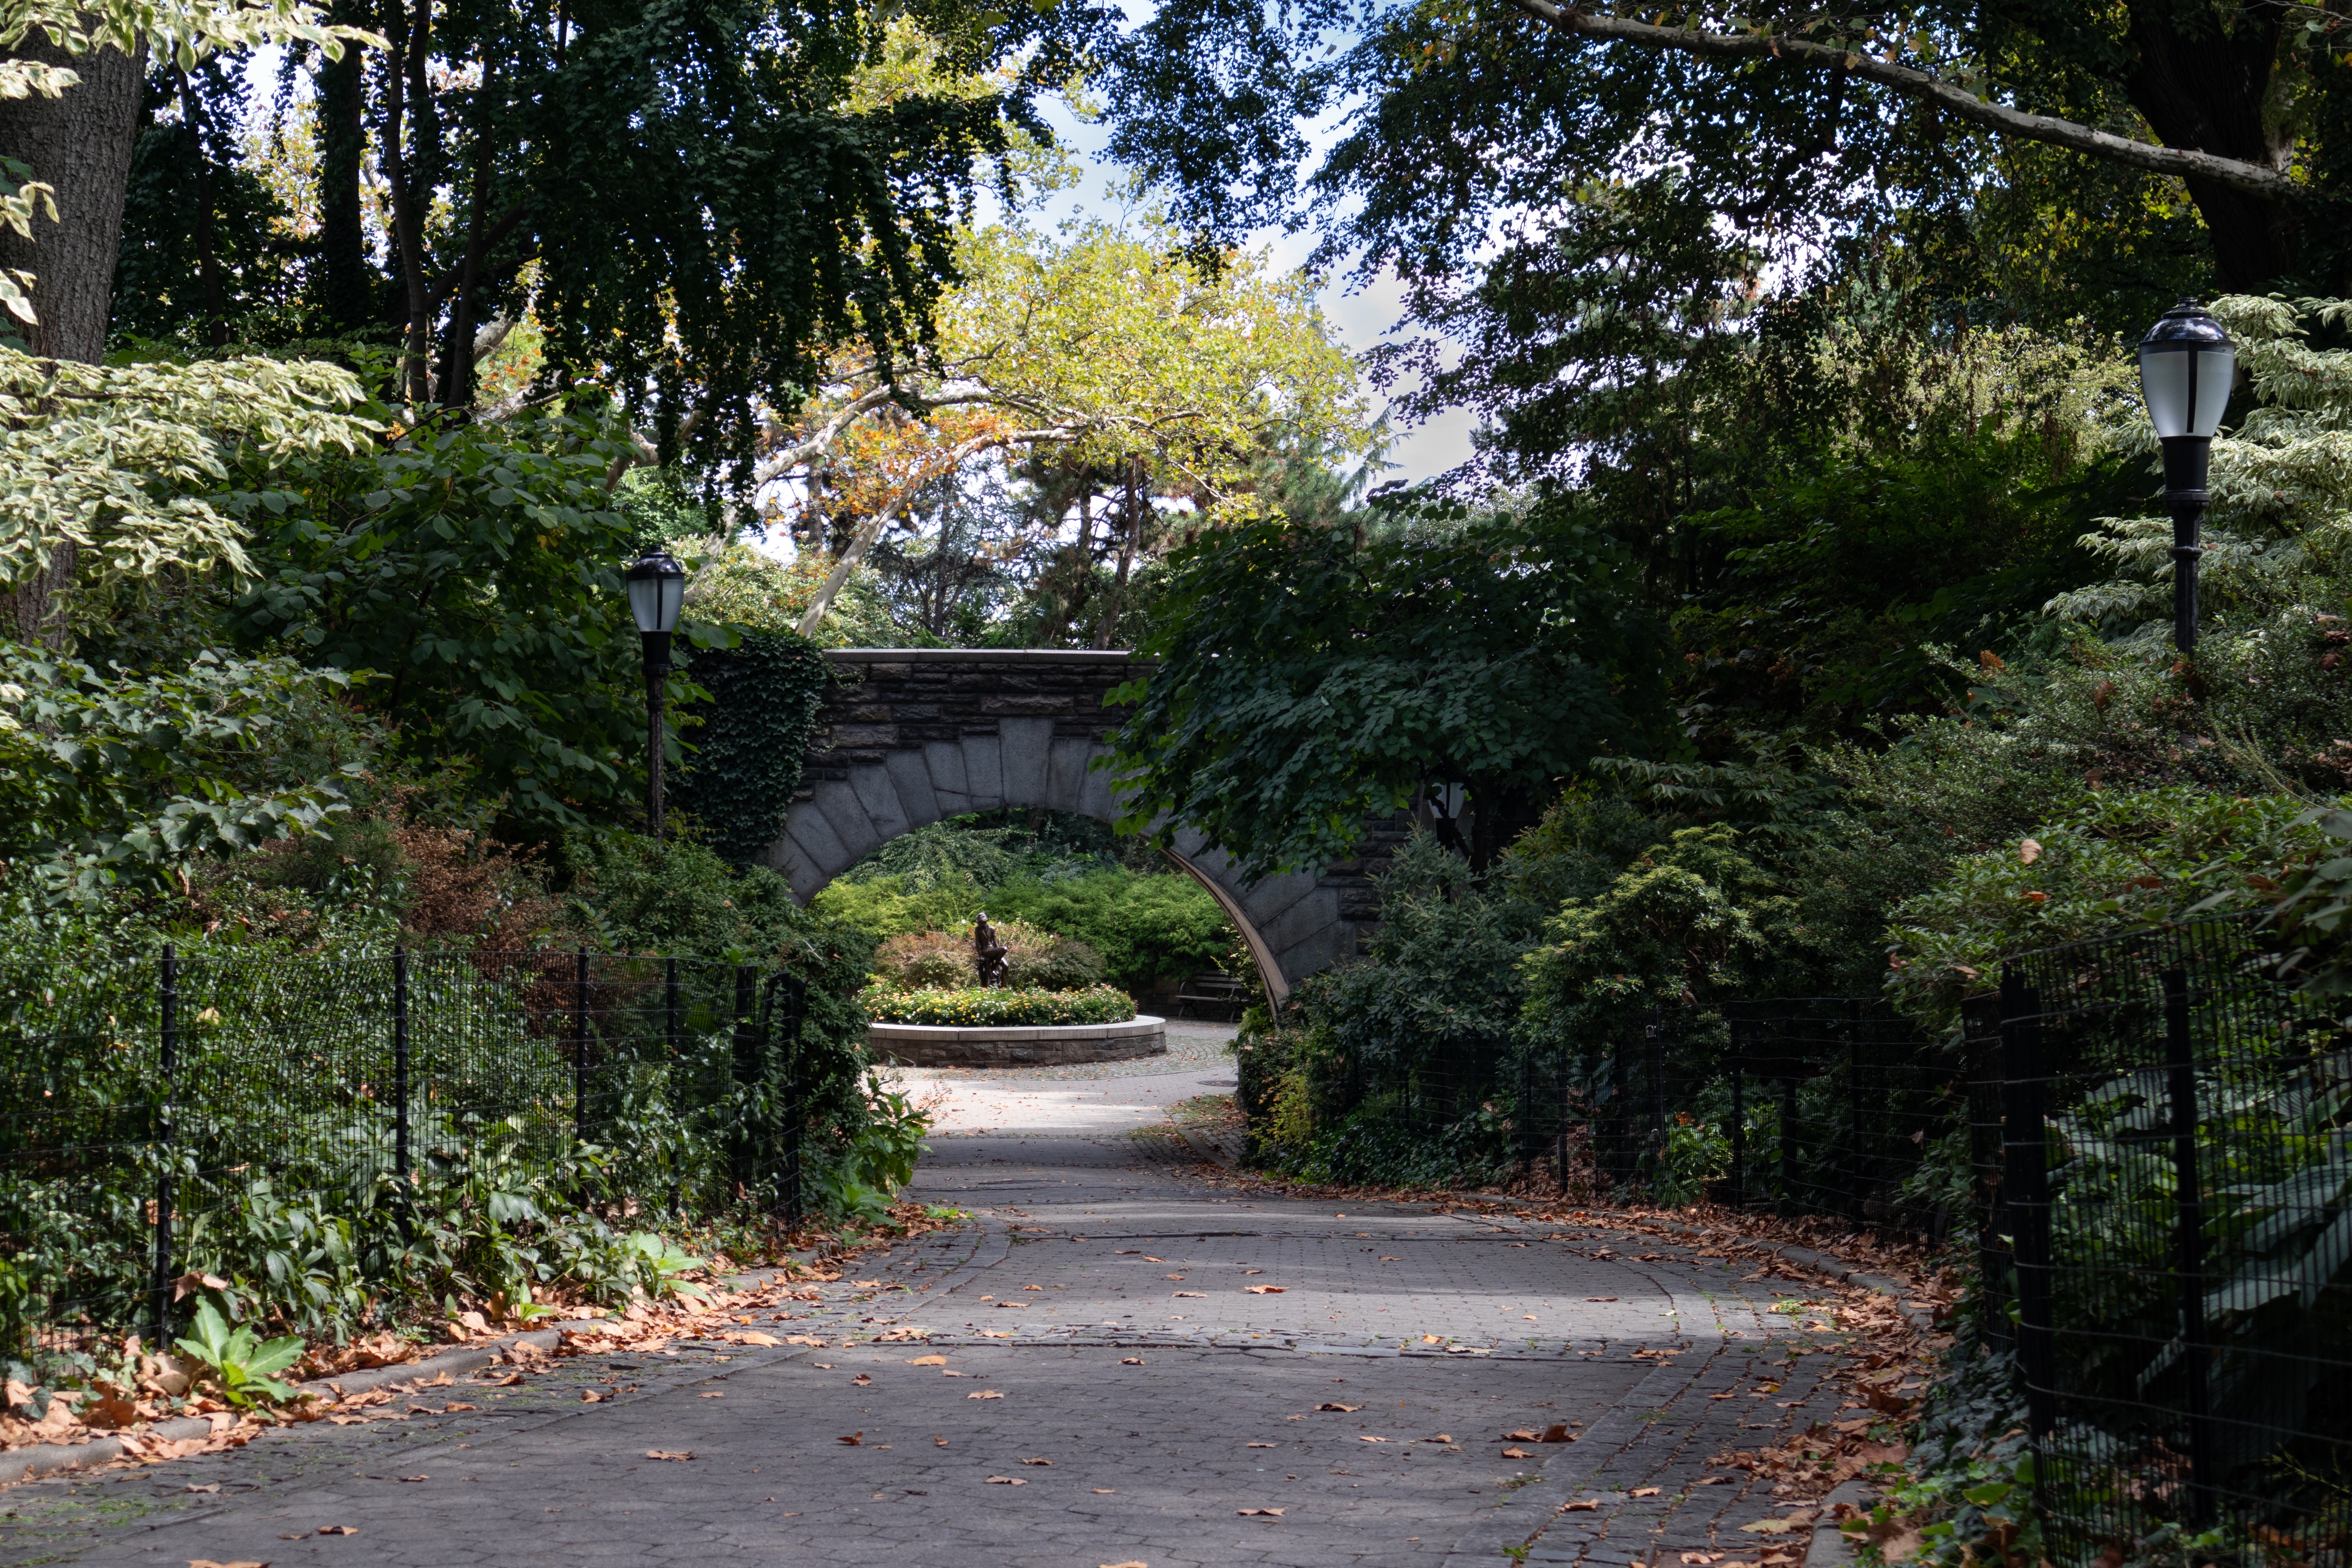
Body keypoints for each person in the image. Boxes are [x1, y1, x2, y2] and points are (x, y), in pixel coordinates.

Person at [973, 913, 1011, 987]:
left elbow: (995, 943)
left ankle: (1003, 987)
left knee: (1006, 966)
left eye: (980, 923)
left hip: (993, 951)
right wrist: (980, 956)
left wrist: (997, 952)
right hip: (986, 952)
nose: (979, 924)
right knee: (1005, 949)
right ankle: (996, 966)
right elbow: (977, 943)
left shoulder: (992, 929)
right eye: (978, 923)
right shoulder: (978, 929)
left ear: (984, 922)